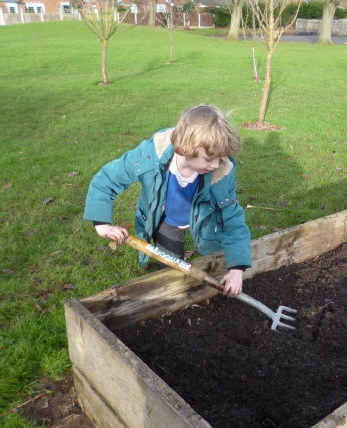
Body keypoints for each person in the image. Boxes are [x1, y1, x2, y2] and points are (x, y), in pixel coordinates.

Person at [84, 104, 252, 296]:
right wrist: (102, 225)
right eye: (208, 159)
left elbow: (232, 219)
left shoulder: (220, 173)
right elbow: (106, 180)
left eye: (220, 158)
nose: (215, 165)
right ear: (186, 149)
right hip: (167, 220)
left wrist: (237, 269)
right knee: (172, 271)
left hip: (205, 219)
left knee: (217, 264)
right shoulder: (149, 156)